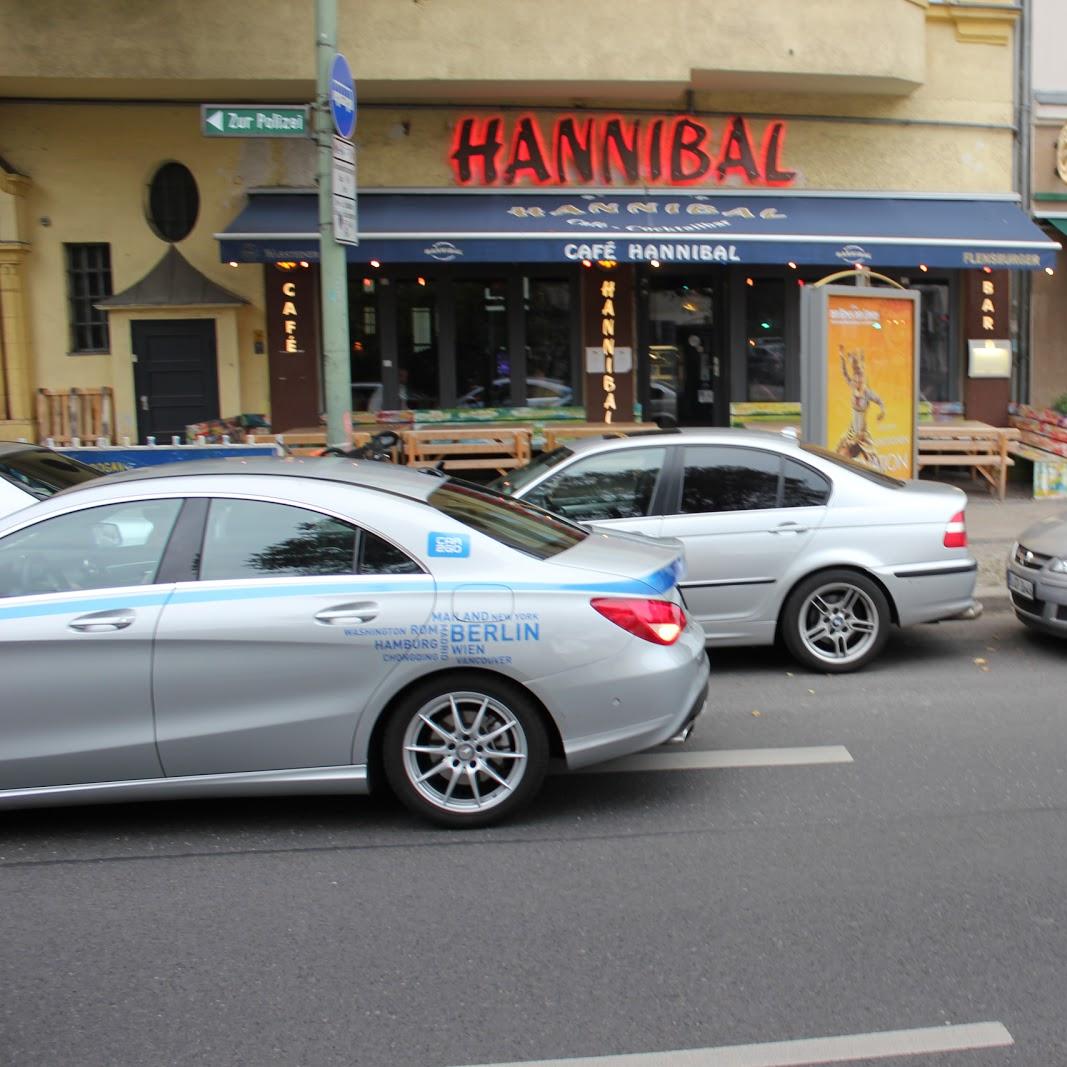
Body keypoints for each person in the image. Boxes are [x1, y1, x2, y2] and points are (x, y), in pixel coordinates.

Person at [835, 345, 885, 470]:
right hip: (852, 430)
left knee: (872, 459)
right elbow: (845, 374)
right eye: (855, 380)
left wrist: (882, 412)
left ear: (863, 379)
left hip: (862, 433)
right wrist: (842, 358)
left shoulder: (867, 393)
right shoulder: (853, 387)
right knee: (839, 452)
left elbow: (880, 401)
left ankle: (878, 474)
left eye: (859, 380)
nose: (857, 382)